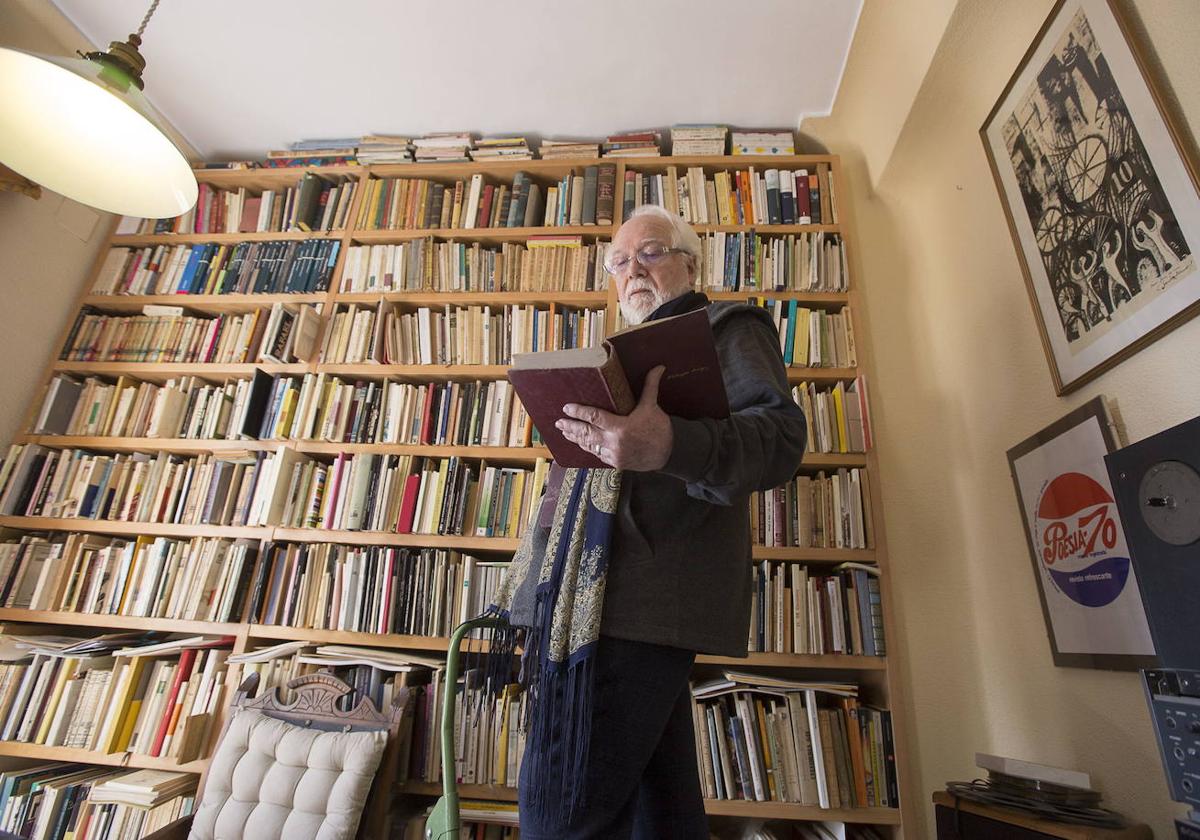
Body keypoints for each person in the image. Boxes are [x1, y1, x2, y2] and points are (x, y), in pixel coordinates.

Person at [492, 203, 808, 840]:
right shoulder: (608, 357)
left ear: (690, 264)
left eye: (652, 252)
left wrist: (667, 446)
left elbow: (779, 438)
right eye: (619, 260)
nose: (633, 268)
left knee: (559, 815)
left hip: (625, 607)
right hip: (583, 604)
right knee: (657, 819)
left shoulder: (724, 326)